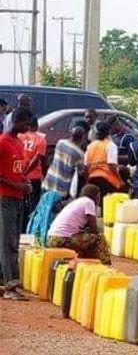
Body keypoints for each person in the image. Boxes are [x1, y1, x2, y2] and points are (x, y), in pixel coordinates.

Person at [0, 107, 33, 300]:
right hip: (5, 197)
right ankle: (11, 285)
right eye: (26, 123)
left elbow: (18, 170)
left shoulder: (18, 143)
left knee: (12, 239)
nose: (28, 127)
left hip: (17, 197)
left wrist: (25, 182)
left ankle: (4, 281)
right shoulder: (3, 142)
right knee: (8, 241)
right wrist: (16, 184)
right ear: (17, 121)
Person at [47, 184, 111, 265]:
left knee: (86, 239)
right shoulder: (89, 202)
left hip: (51, 239)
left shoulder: (77, 202)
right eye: (99, 196)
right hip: (62, 239)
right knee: (98, 237)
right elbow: (94, 229)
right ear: (95, 196)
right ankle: (105, 265)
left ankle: (85, 264)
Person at [42, 126, 86, 199]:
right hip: (61, 188)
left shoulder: (60, 142)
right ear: (82, 137)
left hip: (49, 181)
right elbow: (80, 173)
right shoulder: (79, 154)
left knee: (43, 207)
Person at [84, 121, 123, 198]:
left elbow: (86, 166)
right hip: (107, 180)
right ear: (108, 132)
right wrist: (119, 179)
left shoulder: (91, 146)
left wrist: (87, 181)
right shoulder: (110, 145)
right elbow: (111, 165)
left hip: (92, 179)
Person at [19, 116, 46, 226]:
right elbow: (37, 159)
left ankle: (21, 226)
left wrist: (22, 174)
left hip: (20, 175)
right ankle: (30, 227)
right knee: (33, 204)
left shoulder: (20, 136)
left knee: (21, 203)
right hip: (33, 176)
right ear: (37, 125)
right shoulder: (41, 139)